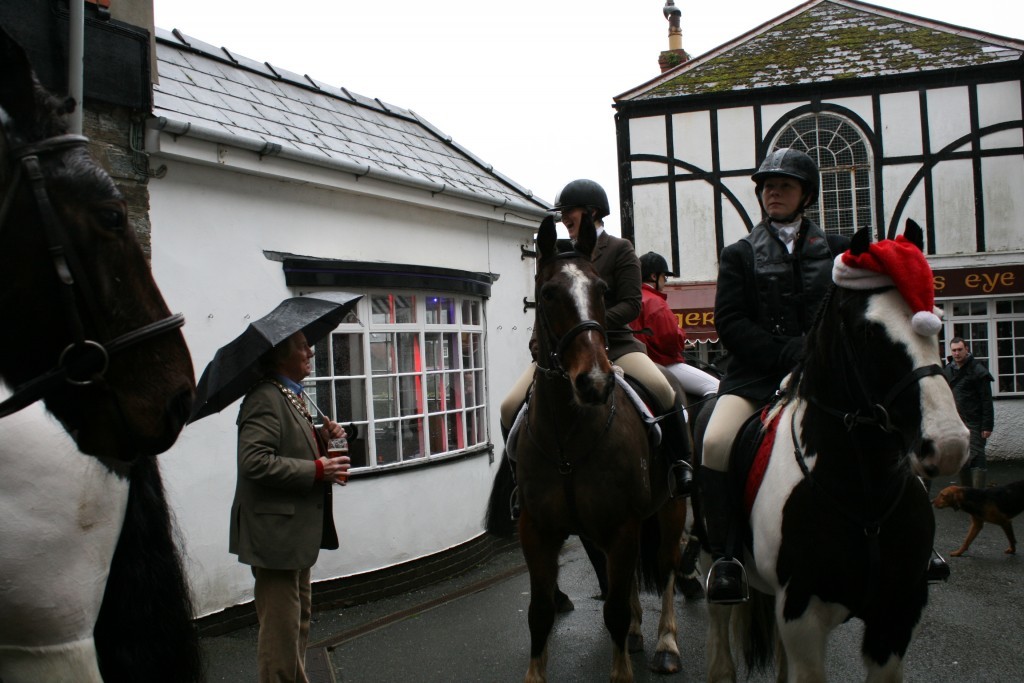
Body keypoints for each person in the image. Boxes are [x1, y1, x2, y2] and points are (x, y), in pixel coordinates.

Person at [700, 149, 847, 604]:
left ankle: (909, 541)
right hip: (755, 378)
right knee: (716, 442)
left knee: (885, 419)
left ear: (806, 194)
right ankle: (727, 556)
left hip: (824, 374)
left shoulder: (838, 251)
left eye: (784, 185)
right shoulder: (740, 254)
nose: (773, 193)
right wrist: (785, 351)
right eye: (767, 186)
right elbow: (730, 322)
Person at [500, 179, 693, 499]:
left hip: (617, 345)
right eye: (561, 215)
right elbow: (549, 307)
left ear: (591, 213)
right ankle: (517, 484)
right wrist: (539, 342)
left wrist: (594, 328)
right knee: (509, 407)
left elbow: (632, 303)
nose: (563, 220)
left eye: (568, 213)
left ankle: (679, 464)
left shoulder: (620, 250)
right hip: (565, 352)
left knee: (663, 390)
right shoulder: (558, 254)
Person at [230, 331, 350, 683]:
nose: (310, 350)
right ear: (280, 355)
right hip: (275, 536)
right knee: (280, 633)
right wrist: (316, 469)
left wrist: (327, 439)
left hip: (294, 535)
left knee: (297, 622)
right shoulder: (264, 398)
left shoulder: (291, 397)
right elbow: (254, 462)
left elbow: (288, 445)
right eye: (301, 346)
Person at [632, 251, 720, 399]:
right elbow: (670, 339)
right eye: (664, 277)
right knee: (717, 387)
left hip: (641, 365)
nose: (665, 281)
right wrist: (681, 337)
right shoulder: (655, 301)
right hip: (664, 364)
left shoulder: (634, 298)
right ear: (654, 276)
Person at [943, 337, 995, 489]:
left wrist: (987, 425)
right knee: (962, 456)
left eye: (960, 350)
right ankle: (966, 493)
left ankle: (977, 495)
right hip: (956, 421)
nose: (957, 353)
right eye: (954, 350)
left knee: (977, 454)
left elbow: (986, 400)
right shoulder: (948, 370)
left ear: (966, 349)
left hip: (975, 421)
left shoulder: (978, 370)